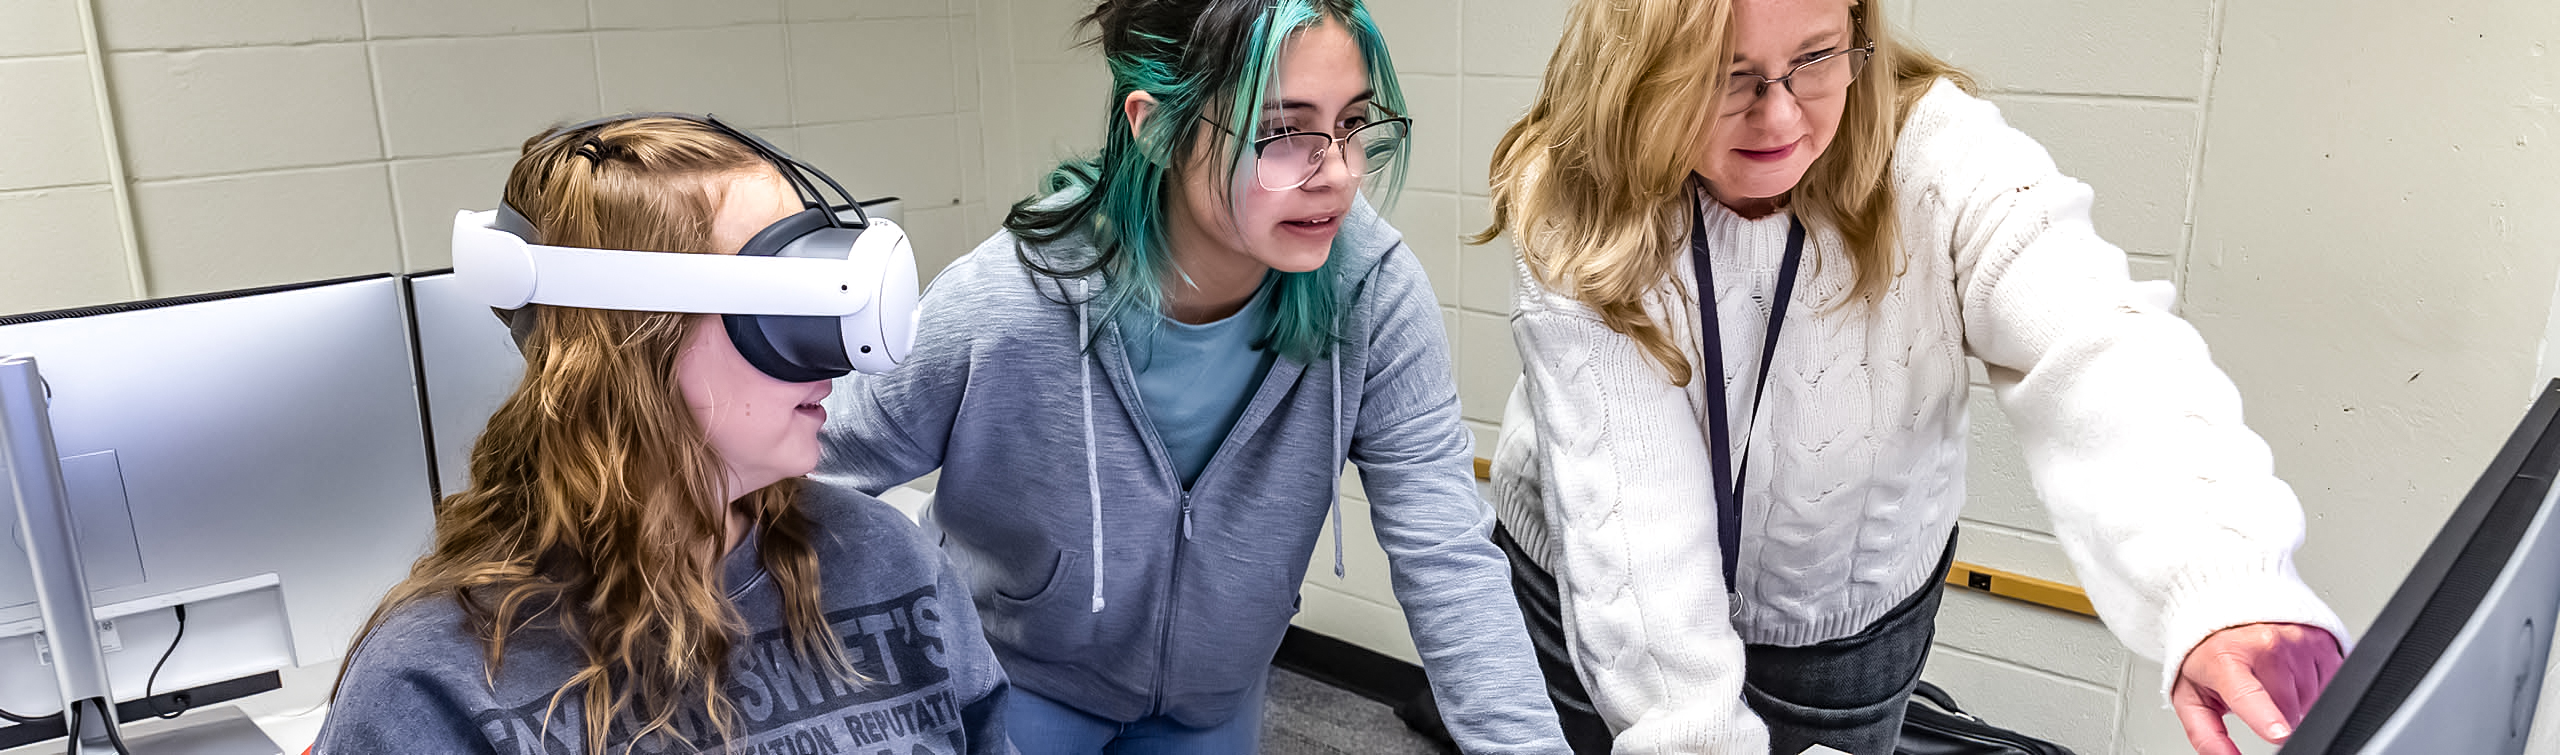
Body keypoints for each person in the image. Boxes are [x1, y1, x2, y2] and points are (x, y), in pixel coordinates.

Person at [1478, 1, 2349, 753]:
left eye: (1817, 57)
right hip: (1594, 593)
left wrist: (2222, 575)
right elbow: (1641, 533)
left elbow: (2094, 341)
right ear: (1643, 67)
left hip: (1846, 613)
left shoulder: (1940, 150)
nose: (1780, 119)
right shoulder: (1575, 194)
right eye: (1724, 72)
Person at [817, 1, 1570, 752]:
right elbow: (811, 472)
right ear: (1156, 128)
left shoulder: (1373, 294)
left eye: (1350, 125)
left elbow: (1448, 559)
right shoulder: (1006, 301)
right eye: (1283, 132)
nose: (1338, 174)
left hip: (1211, 699)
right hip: (1021, 681)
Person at [314, 116, 1013, 755]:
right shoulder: (433, 687)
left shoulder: (886, 561)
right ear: (635, 343)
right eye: (790, 311)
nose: (839, 355)